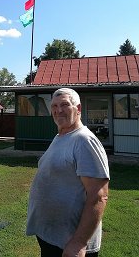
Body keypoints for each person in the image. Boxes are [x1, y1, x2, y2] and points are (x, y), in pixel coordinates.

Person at [26, 88, 110, 257]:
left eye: (65, 104)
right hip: (52, 237)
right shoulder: (61, 137)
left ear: (78, 109)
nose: (58, 110)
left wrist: (78, 243)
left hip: (70, 244)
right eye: (54, 106)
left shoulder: (84, 140)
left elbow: (98, 196)